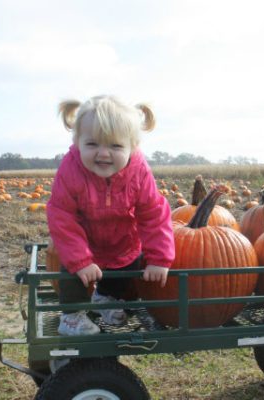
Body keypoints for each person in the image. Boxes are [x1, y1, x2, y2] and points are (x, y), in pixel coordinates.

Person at [46, 95, 175, 336]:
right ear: (77, 142)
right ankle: (72, 317)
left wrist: (160, 257)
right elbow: (62, 215)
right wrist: (80, 260)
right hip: (83, 240)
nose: (103, 154)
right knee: (72, 272)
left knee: (126, 267)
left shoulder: (139, 171)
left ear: (132, 147)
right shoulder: (70, 169)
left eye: (115, 146)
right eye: (92, 144)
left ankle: (104, 297)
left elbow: (153, 212)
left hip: (122, 240)